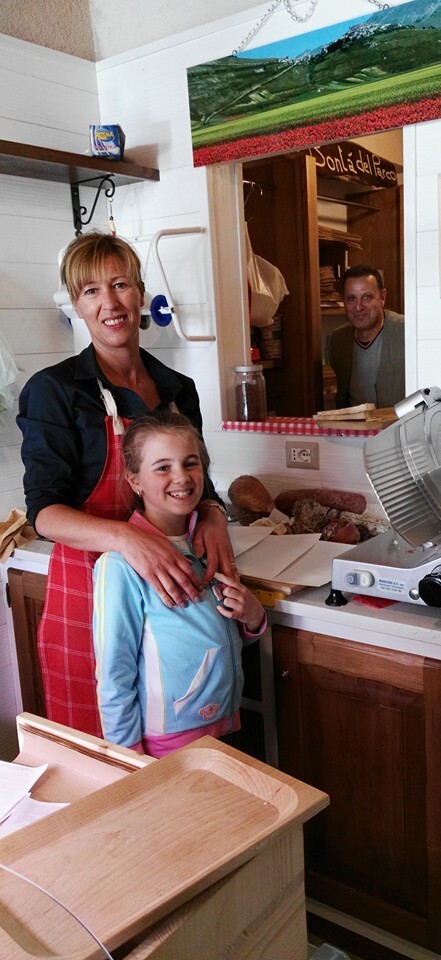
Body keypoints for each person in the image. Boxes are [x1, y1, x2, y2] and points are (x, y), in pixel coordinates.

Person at [17, 230, 236, 737]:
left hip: (173, 600)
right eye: (91, 291)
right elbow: (45, 512)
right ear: (76, 305)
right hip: (91, 600)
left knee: (180, 746)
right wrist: (126, 538)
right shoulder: (54, 392)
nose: (109, 303)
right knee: (108, 764)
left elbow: (195, 477)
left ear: (140, 294)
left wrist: (214, 513)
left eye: (120, 285)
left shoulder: (178, 390)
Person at [93, 410, 266, 757]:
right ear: (134, 480)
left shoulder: (207, 542)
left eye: (190, 463)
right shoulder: (120, 566)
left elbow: (218, 638)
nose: (181, 478)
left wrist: (253, 618)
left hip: (226, 724)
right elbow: (114, 676)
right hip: (168, 743)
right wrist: (128, 758)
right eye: (162, 467)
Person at [328, 264, 405, 410]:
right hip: (355, 431)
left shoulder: (406, 332)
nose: (358, 307)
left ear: (382, 298)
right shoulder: (338, 340)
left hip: (402, 429)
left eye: (367, 297)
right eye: (351, 298)